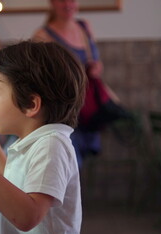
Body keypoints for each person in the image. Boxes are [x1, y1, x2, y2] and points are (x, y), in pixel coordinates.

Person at [0, 40, 86, 234]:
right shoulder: (37, 141)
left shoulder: (52, 145)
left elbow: (28, 216)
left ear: (31, 104)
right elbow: (12, 183)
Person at [32, 0, 120, 168]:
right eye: (62, 0)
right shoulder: (42, 35)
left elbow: (95, 61)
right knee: (68, 165)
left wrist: (95, 68)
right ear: (52, 3)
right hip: (66, 114)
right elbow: (40, 79)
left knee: (78, 168)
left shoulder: (84, 26)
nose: (68, 4)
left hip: (89, 108)